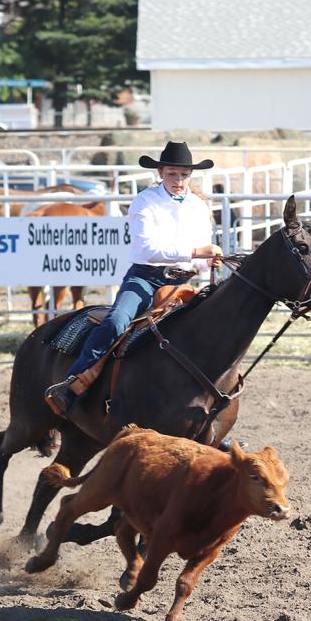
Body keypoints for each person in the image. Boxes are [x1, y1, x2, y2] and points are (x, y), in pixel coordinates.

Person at [44, 141, 223, 416]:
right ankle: (72, 384)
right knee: (117, 321)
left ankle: (211, 406)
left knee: (209, 333)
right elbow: (147, 250)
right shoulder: (145, 201)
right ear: (161, 173)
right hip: (146, 278)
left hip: (182, 282)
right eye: (172, 174)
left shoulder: (198, 207)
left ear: (190, 176)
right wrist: (198, 251)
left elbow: (199, 260)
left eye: (183, 174)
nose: (178, 180)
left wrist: (206, 261)